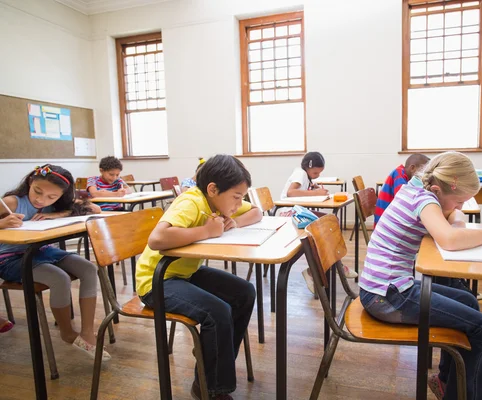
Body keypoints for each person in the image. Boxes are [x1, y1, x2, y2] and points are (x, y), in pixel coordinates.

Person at [359, 152, 482, 400]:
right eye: (459, 201)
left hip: (385, 288)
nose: (460, 207)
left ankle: (446, 383)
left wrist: (456, 217)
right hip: (387, 296)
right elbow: (449, 239)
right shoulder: (424, 199)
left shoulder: (417, 188)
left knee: (467, 300)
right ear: (439, 189)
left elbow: (450, 218)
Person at [136, 155, 261, 400]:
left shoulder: (218, 202)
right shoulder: (191, 201)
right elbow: (157, 239)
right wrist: (206, 231)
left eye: (242, 197)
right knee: (217, 311)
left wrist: (232, 221)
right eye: (236, 197)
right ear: (213, 189)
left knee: (244, 293)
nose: (239, 203)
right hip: (157, 281)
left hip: (184, 273)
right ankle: (210, 388)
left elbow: (257, 212)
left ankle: (211, 360)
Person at [0, 165, 109, 360]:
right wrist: (1, 223)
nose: (41, 200)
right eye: (37, 192)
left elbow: (96, 209)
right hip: (9, 259)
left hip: (40, 251)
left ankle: (87, 332)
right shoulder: (12, 202)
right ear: (29, 183)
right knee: (59, 278)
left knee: (88, 269)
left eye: (52, 198)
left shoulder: (56, 203)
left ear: (61, 196)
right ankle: (67, 332)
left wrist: (58, 213)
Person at [280, 152, 358, 291]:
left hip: (297, 212)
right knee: (325, 226)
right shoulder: (300, 173)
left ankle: (331, 266)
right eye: (315, 172)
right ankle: (330, 267)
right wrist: (315, 193)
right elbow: (290, 192)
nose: (317, 175)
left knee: (329, 222)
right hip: (288, 214)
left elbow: (303, 189)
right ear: (307, 167)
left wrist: (314, 187)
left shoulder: (306, 176)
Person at [374, 153, 430, 227]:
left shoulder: (403, 175)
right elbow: (406, 198)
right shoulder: (398, 174)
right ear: (412, 168)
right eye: (423, 171)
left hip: (388, 220)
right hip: (385, 223)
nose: (425, 175)